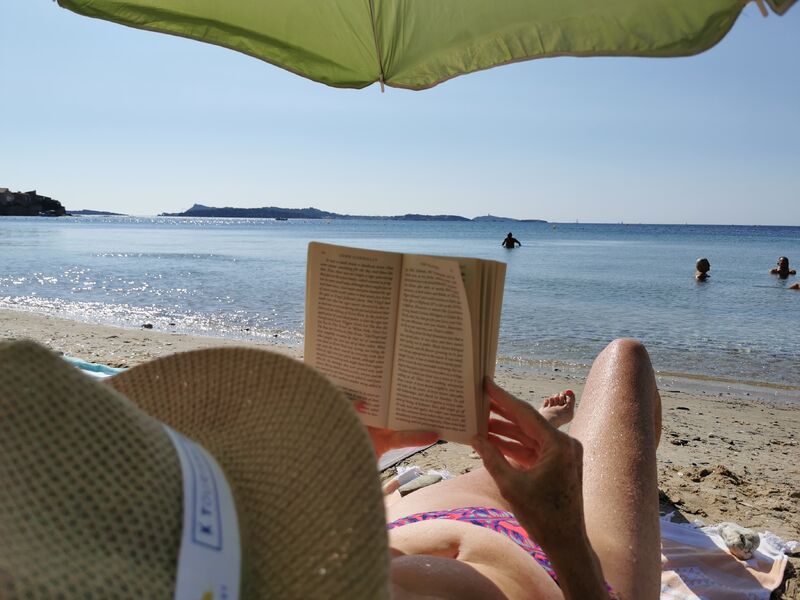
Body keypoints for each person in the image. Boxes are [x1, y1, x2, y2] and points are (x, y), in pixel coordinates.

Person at [370, 338, 662, 599]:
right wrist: (567, 541)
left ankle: (542, 427)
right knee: (625, 356)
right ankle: (541, 429)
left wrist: (362, 455)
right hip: (568, 577)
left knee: (520, 460)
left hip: (413, 528)